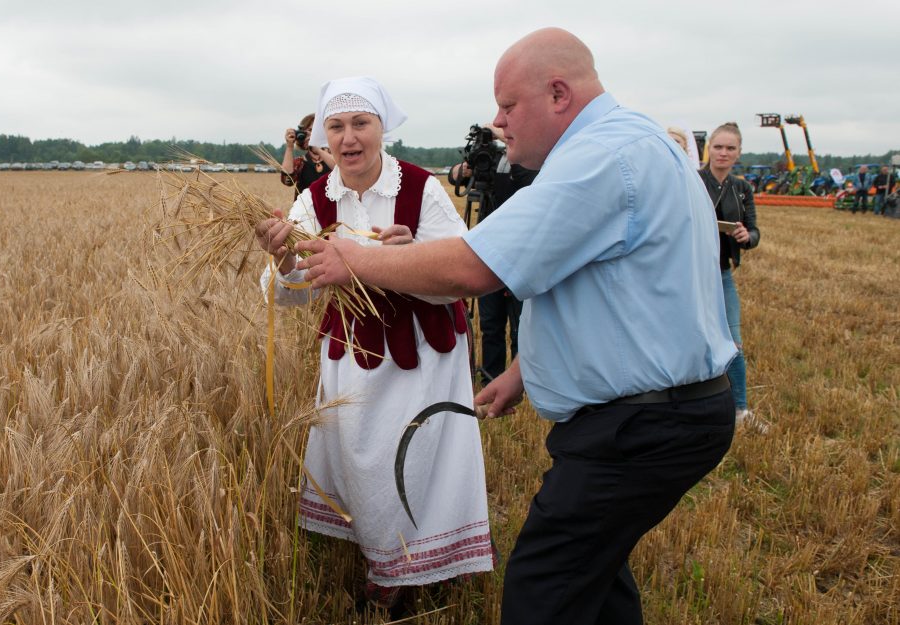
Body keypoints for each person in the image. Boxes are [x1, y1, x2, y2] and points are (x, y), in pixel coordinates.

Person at [294, 28, 738, 625]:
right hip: (658, 414)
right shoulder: (638, 142)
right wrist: (524, 374)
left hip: (635, 428)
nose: (497, 121)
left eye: (507, 104)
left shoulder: (598, 160)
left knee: (542, 590)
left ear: (558, 93)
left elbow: (474, 265)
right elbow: (618, 296)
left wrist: (357, 260)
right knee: (597, 586)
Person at [254, 77, 494, 612]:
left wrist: (414, 252)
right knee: (364, 456)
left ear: (383, 128)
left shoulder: (420, 189)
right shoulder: (315, 198)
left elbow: (464, 263)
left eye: (361, 124)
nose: (349, 138)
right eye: (336, 127)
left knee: (422, 455)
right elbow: (284, 296)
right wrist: (284, 258)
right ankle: (383, 558)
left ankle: (420, 566)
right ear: (324, 137)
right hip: (355, 353)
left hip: (424, 352)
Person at [448, 124, 538, 383]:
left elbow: (530, 178)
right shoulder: (489, 156)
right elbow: (456, 178)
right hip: (488, 248)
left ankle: (522, 379)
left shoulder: (526, 159)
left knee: (521, 322)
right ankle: (491, 375)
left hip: (519, 248)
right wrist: (467, 165)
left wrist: (507, 139)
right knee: (490, 321)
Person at [698, 122, 766, 433]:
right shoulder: (693, 181)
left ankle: (740, 410)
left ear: (738, 153)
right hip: (690, 275)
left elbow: (754, 233)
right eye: (718, 147)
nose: (723, 153)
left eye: (730, 148)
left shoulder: (742, 189)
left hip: (722, 274)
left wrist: (744, 235)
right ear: (708, 148)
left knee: (734, 343)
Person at [279, 113, 335, 198]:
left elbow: (343, 171)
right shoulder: (300, 162)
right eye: (308, 131)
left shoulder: (336, 157)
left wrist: (318, 149)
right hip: (305, 210)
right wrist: (290, 146)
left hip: (332, 209)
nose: (311, 134)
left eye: (314, 130)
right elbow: (287, 180)